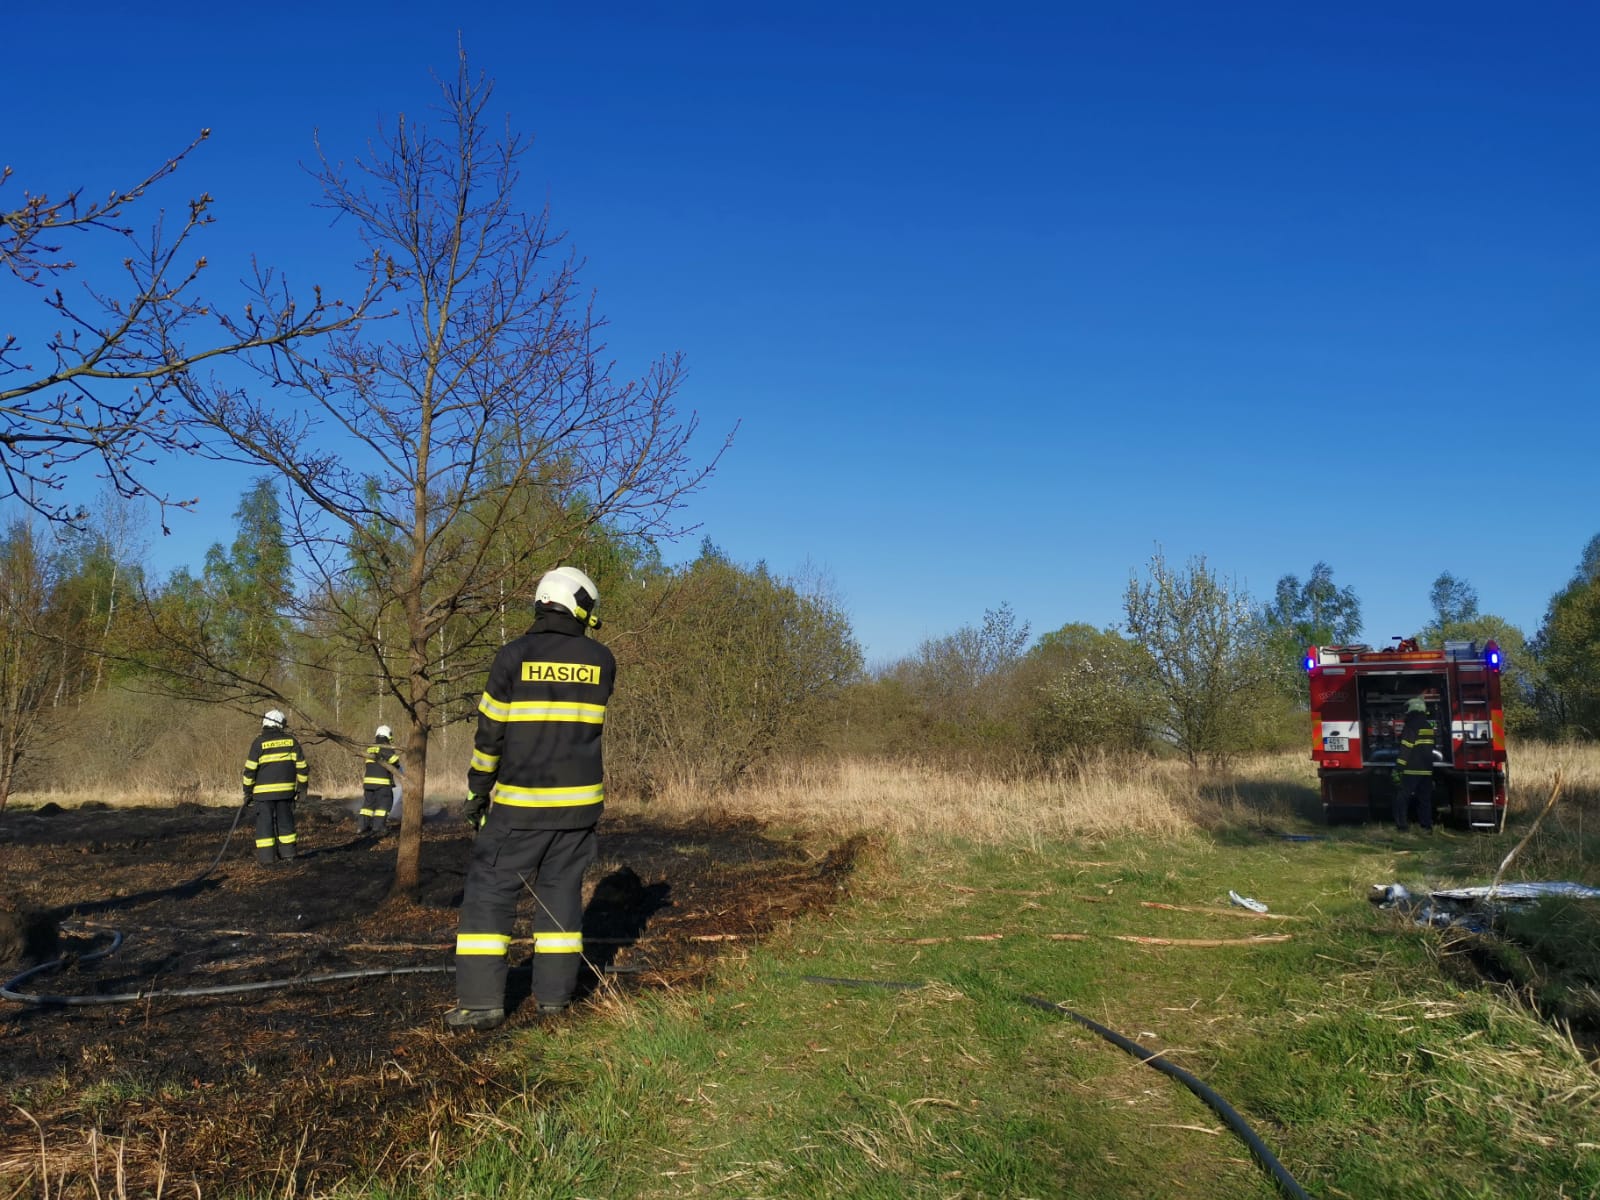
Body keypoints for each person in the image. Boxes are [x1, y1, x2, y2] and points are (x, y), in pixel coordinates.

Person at [446, 566, 615, 1032]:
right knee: (561, 894)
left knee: (488, 894)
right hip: (580, 810)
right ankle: (555, 1000)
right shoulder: (602, 661)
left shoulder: (512, 657)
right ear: (580, 606)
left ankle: (481, 1003)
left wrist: (477, 794)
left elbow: (489, 737)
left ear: (542, 602)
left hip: (521, 808)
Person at [243, 709, 309, 863]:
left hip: (262, 795)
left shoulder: (258, 743)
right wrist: (302, 789)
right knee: (286, 823)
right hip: (285, 794)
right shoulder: (291, 741)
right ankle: (289, 855)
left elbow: (250, 770)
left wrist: (247, 792)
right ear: (282, 724)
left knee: (264, 826)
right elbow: (302, 767)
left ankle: (267, 860)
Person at [1393, 696, 1437, 833]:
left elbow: (1406, 747)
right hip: (1427, 770)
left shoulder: (1411, 726)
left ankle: (1402, 826)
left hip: (1411, 769)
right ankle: (1427, 826)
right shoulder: (1428, 726)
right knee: (1424, 799)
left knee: (1402, 797)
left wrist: (1399, 767)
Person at [357, 725, 403, 834]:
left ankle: (362, 827)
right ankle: (378, 827)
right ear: (388, 735)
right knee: (384, 804)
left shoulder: (370, 747)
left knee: (367, 806)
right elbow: (394, 760)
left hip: (368, 783)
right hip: (382, 783)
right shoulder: (384, 747)